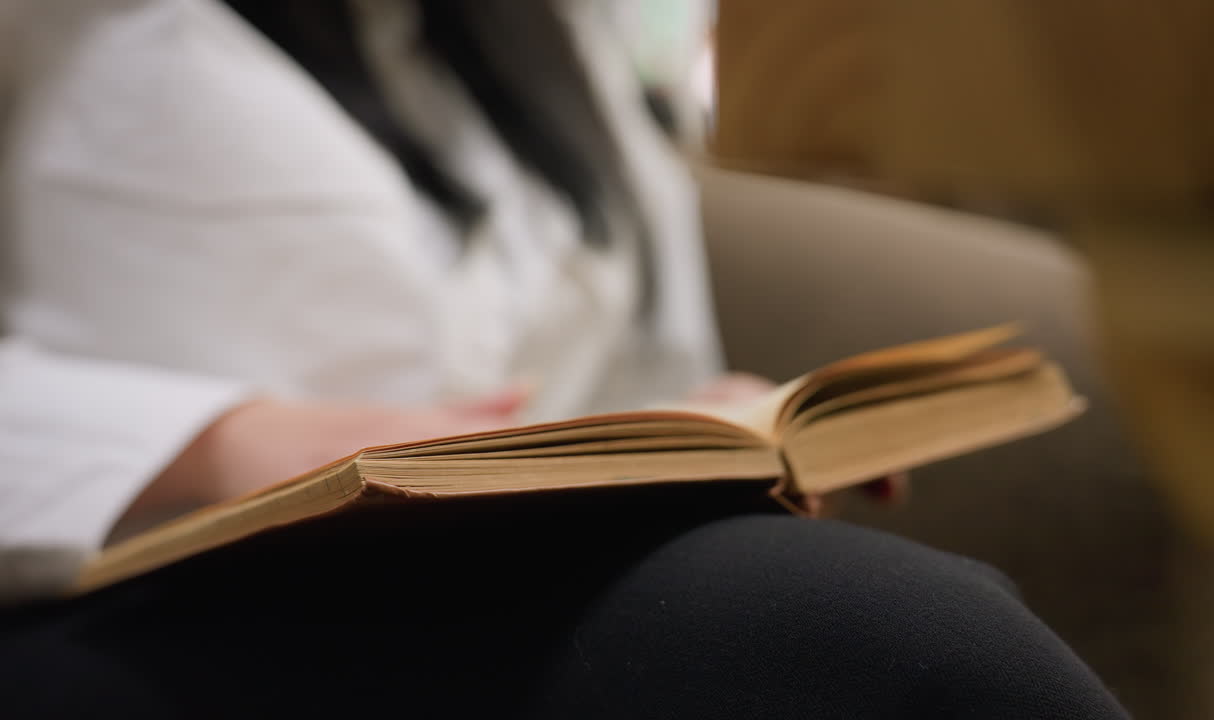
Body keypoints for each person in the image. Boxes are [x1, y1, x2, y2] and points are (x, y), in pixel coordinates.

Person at [0, 1, 1129, 717]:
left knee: (853, 623)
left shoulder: (538, 39)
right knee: (854, 632)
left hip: (507, 573)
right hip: (145, 600)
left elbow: (644, 345)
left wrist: (705, 433)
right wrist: (219, 440)